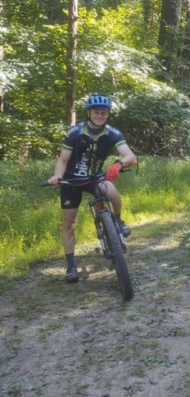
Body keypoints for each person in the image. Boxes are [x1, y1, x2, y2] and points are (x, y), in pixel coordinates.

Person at [47, 94, 137, 283]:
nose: (100, 115)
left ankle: (118, 222)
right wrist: (58, 176)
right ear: (89, 113)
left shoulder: (113, 133)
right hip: (71, 180)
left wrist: (118, 165)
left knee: (112, 192)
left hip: (95, 177)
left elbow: (130, 156)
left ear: (108, 114)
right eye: (96, 112)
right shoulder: (75, 132)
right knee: (69, 223)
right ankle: (71, 266)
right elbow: (62, 160)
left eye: (103, 113)